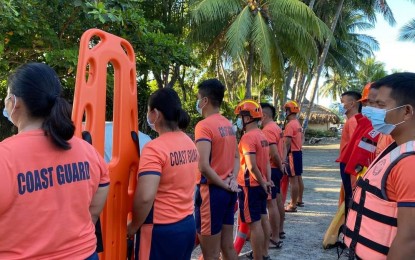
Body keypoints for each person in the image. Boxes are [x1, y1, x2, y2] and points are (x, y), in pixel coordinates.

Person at [0, 63, 109, 259]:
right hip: (85, 253)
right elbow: (95, 206)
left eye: (7, 96)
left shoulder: (4, 157)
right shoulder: (88, 152)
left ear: (15, 102)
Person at [344, 72, 415, 259]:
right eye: (371, 104)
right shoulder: (395, 146)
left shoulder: (410, 162)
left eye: (380, 105)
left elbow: (409, 240)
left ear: (407, 111)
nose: (370, 110)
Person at [127, 88, 197, 260]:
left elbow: (145, 197)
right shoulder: (189, 142)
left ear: (156, 113)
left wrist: (132, 227)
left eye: (149, 111)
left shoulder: (155, 148)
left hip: (160, 231)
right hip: (187, 224)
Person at [194, 79, 239, 260]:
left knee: (210, 254)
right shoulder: (228, 125)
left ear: (205, 101)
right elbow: (237, 157)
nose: (198, 102)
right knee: (227, 247)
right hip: (228, 191)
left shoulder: (204, 126)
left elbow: (203, 165)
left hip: (212, 193)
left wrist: (223, 184)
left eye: (198, 98)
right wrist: (232, 180)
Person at [234, 99, 272, 260]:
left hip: (250, 186)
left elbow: (251, 165)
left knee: (254, 225)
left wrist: (263, 183)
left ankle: (258, 257)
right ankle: (264, 253)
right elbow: (267, 163)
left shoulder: (248, 138)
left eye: (241, 116)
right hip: (261, 184)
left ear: (247, 118)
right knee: (263, 219)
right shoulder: (262, 135)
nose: (239, 120)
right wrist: (267, 181)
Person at [260, 102, 285, 247]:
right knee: (277, 201)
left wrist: (279, 165)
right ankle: (279, 231)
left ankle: (274, 237)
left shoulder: (268, 130)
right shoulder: (275, 127)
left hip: (273, 169)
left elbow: (273, 153)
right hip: (277, 168)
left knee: (271, 204)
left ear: (263, 115)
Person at [335, 91, 361, 217]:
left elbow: (356, 145)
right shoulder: (352, 120)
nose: (341, 105)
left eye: (342, 102)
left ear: (352, 103)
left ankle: (349, 225)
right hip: (347, 162)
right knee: (348, 193)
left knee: (350, 194)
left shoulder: (353, 121)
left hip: (349, 163)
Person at [282, 101, 304, 212]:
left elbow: (287, 143)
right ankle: (299, 200)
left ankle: (293, 204)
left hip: (292, 154)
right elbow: (302, 138)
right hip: (298, 152)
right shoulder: (297, 123)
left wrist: (283, 157)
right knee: (298, 177)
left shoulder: (290, 125)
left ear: (288, 111)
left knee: (293, 180)